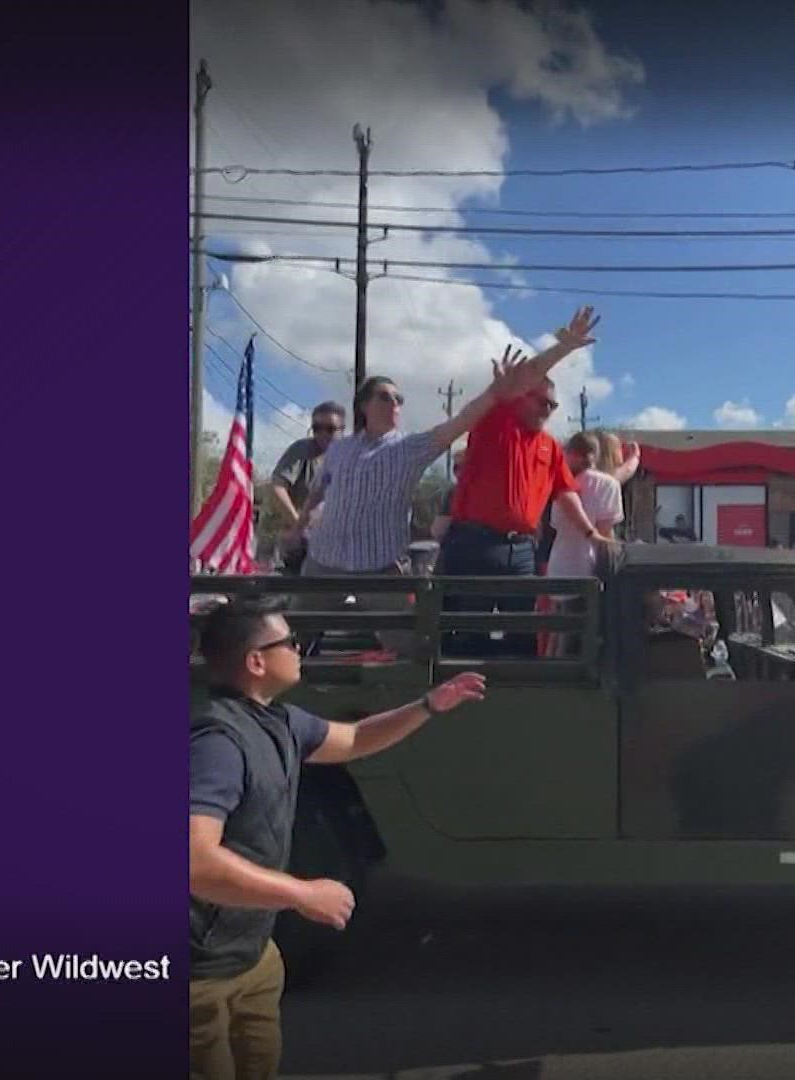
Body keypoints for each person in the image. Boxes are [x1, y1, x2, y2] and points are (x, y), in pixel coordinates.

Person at [190, 596, 488, 1079]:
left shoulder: (281, 722)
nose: (299, 650)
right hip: (201, 970)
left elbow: (352, 740)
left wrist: (428, 706)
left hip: (254, 957)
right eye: (289, 642)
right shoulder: (219, 744)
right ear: (256, 661)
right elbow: (194, 863)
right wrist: (303, 893)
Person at [300, 335, 592, 656]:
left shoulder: (409, 447)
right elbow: (318, 489)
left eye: (399, 398)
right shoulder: (340, 449)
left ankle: (478, 699)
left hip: (380, 565)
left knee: (415, 650)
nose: (395, 403)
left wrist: (561, 350)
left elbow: (466, 418)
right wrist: (295, 527)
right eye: (385, 397)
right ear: (364, 405)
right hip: (326, 560)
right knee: (294, 638)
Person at [438, 307, 610, 656]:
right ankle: (459, 701)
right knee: (468, 634)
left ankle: (519, 699)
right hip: (475, 543)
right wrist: (564, 348)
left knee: (521, 636)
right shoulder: (495, 422)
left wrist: (594, 534)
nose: (549, 409)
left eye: (554, 405)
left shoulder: (550, 447)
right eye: (543, 401)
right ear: (521, 398)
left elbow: (566, 494)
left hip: (521, 550)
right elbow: (528, 374)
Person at [543, 432, 638, 657]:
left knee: (559, 630)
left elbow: (555, 524)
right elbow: (605, 532)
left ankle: (550, 675)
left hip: (561, 564)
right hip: (590, 566)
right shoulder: (608, 485)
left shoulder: (562, 483)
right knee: (584, 632)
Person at [267, 403, 347, 576]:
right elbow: (277, 487)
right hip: (302, 545)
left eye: (330, 428)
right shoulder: (303, 450)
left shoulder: (348, 459)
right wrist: (299, 525)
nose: (323, 434)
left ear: (342, 430)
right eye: (317, 428)